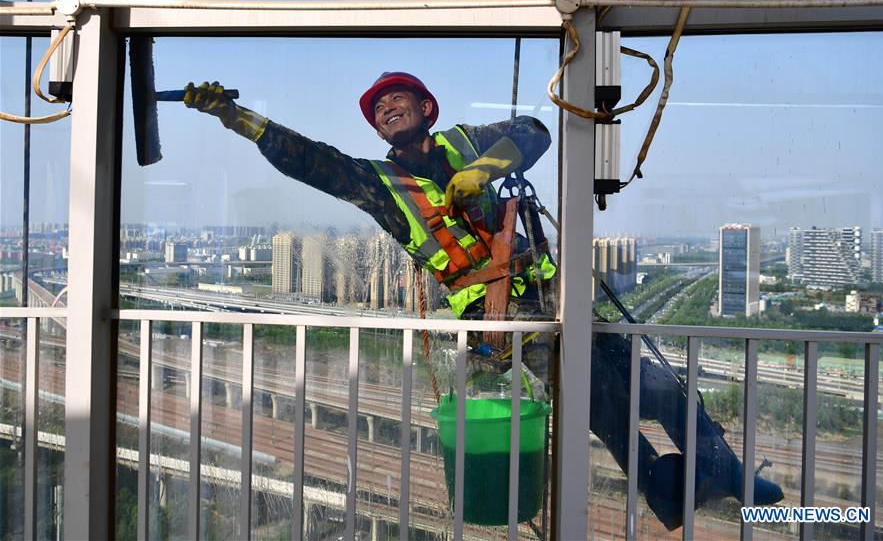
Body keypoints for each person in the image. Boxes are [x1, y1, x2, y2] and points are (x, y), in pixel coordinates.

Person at [183, 72, 782, 529]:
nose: (388, 109)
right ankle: (659, 483)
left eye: (399, 100)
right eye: (378, 110)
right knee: (600, 397)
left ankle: (720, 469)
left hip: (549, 290)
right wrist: (238, 118)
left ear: (426, 111)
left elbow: (534, 132)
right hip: (501, 317)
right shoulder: (380, 185)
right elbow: (311, 162)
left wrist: (484, 170)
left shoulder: (465, 144)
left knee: (653, 387)